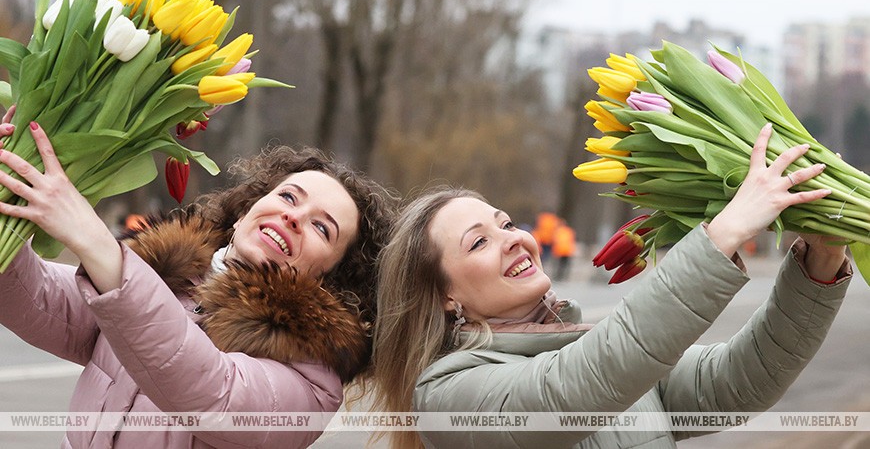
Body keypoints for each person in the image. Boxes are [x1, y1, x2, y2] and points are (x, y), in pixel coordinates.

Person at [371, 124, 851, 448]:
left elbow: (740, 380)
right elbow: (576, 387)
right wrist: (724, 233)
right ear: (444, 296)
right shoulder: (444, 394)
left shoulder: (583, 343)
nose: (514, 239)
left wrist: (821, 261)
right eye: (479, 243)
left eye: (506, 223)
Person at [0, 107, 398, 448]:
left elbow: (211, 392)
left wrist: (98, 246)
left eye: (322, 228)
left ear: (333, 277)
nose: (293, 216)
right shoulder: (166, 278)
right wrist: (7, 193)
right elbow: (36, 300)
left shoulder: (312, 380)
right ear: (246, 210)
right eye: (288, 197)